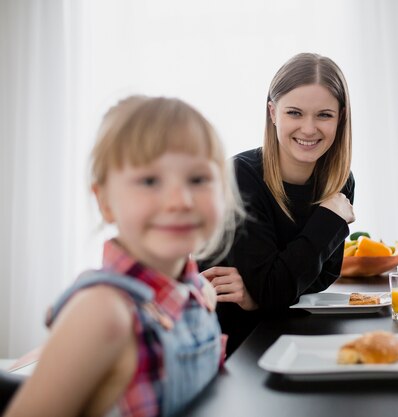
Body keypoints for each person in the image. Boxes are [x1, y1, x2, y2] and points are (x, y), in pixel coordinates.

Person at [5, 95, 243, 417]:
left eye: (198, 179)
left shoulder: (202, 294)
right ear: (104, 202)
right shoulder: (105, 313)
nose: (180, 201)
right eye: (149, 181)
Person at [199, 52, 355, 355]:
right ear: (273, 113)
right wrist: (327, 221)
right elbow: (277, 286)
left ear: (341, 117)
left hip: (288, 335)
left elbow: (323, 277)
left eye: (324, 115)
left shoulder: (340, 180)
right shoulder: (240, 177)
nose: (309, 129)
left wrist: (261, 294)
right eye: (294, 113)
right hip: (230, 347)